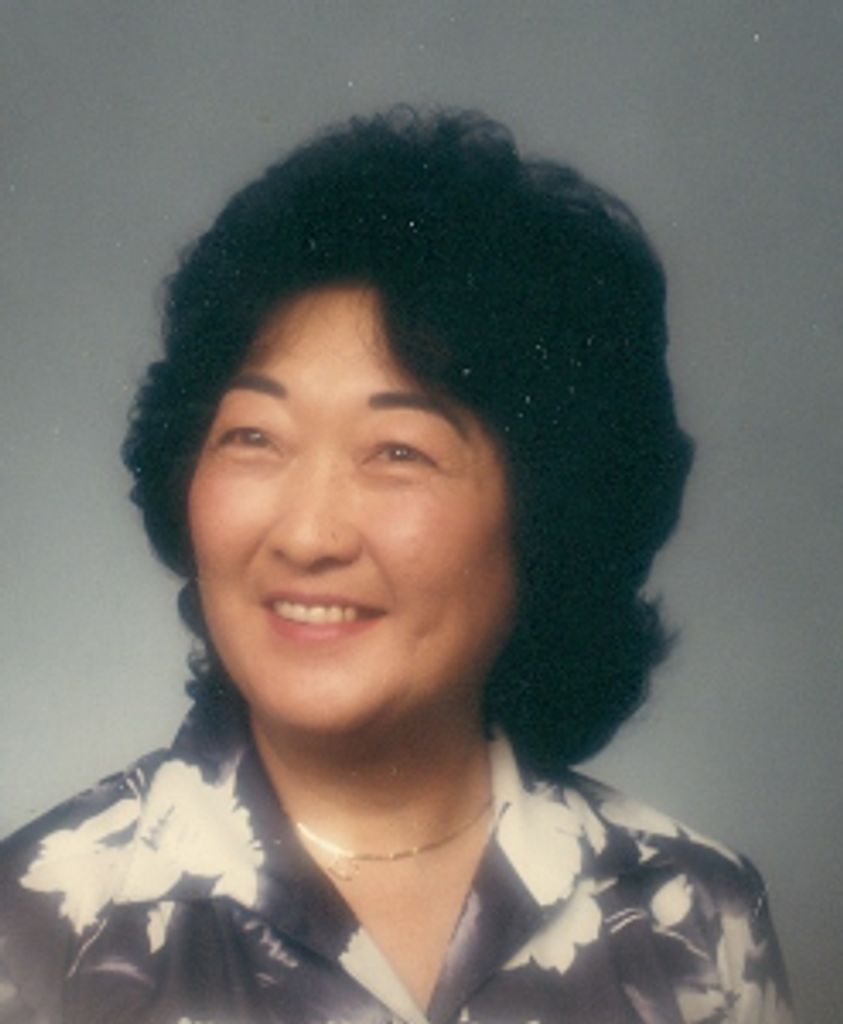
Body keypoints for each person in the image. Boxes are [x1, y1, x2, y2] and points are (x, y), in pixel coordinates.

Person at [0, 108, 793, 1024]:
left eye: (398, 452)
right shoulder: (39, 927)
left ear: (548, 513)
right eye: (255, 437)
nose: (308, 534)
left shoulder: (695, 919)